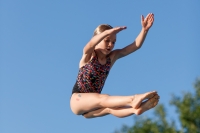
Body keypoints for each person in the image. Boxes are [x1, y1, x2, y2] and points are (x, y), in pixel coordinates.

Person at [70, 13, 160, 118]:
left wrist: (144, 30)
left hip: (91, 109)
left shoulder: (111, 57)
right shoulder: (89, 55)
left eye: (113, 42)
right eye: (107, 40)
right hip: (78, 100)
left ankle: (136, 110)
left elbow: (135, 46)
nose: (110, 45)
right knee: (104, 98)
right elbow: (90, 44)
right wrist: (108, 32)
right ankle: (132, 99)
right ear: (98, 39)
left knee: (110, 108)